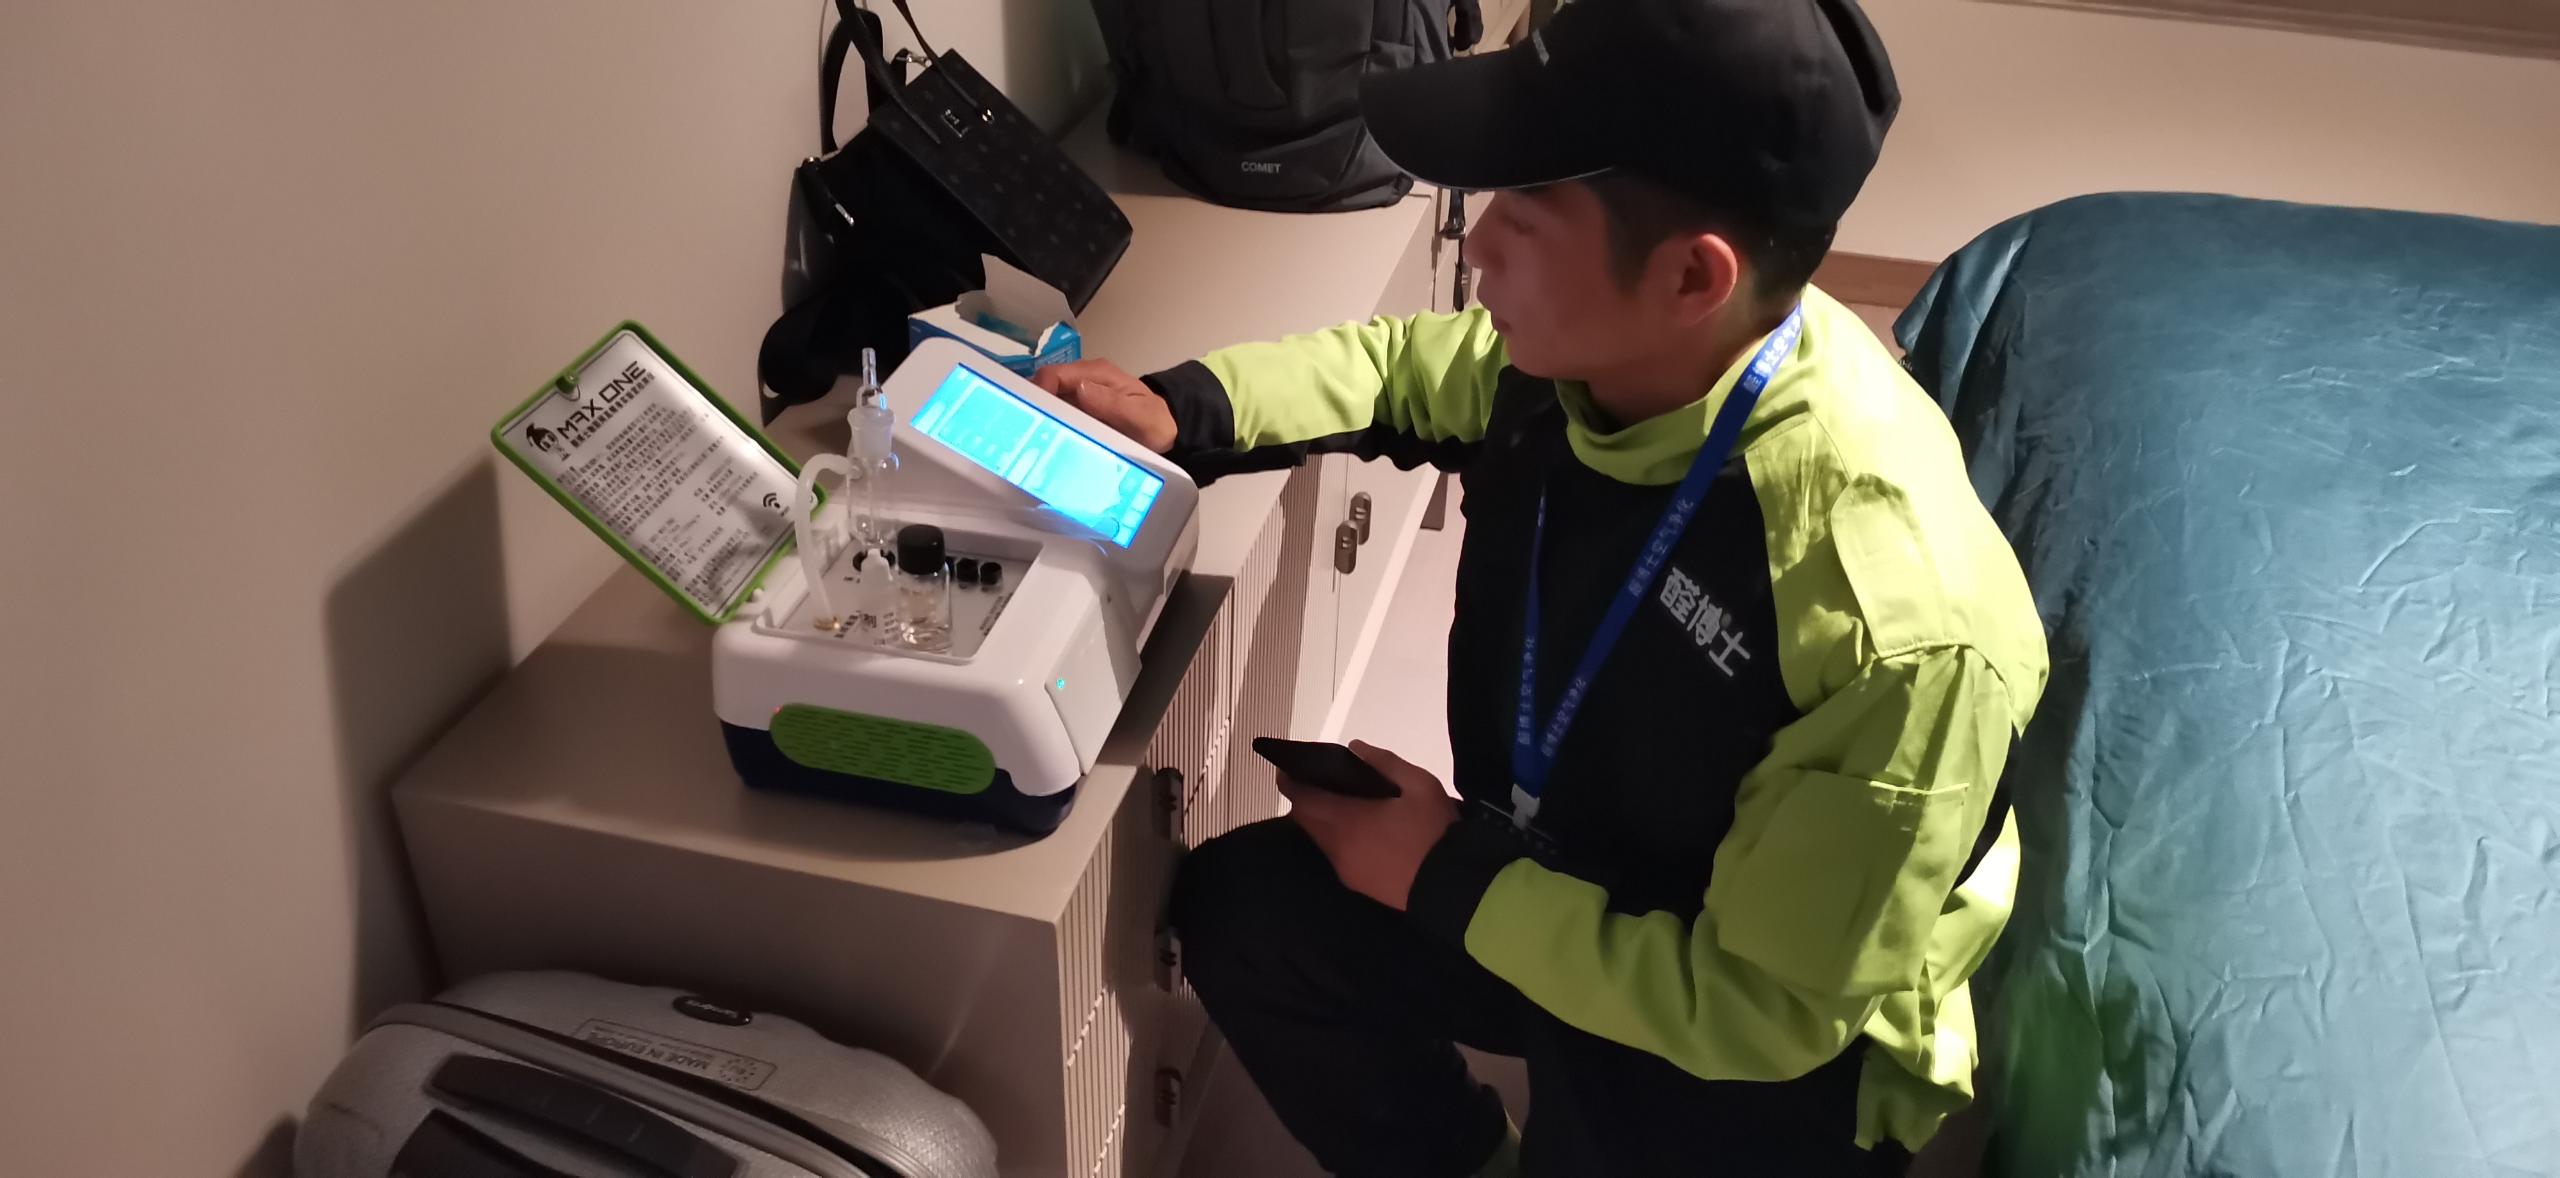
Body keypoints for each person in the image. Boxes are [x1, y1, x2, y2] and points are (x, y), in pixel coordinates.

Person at [1034, 0, 2046, 1172]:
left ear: (1690, 275)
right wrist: (1186, 409)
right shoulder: (1612, 354)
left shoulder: (1895, 627)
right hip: (1566, 865)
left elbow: (1762, 1010)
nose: (1478, 244)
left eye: (1523, 209)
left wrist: (1447, 878)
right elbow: (1401, 372)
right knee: (1248, 914)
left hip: (1758, 1026)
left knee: (1637, 1114)